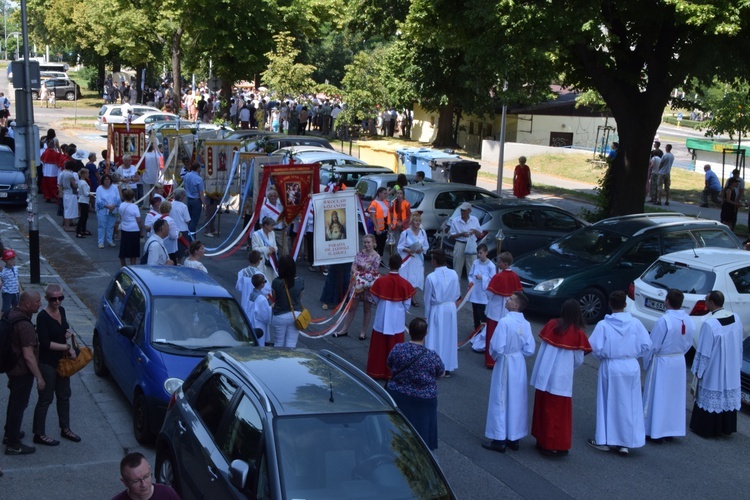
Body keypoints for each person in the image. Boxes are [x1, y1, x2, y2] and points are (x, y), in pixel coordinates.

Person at [587, 291, 652, 455]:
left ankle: (605, 439)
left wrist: (603, 356)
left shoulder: (604, 325)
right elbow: (647, 345)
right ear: (625, 304)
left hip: (611, 365)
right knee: (629, 403)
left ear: (610, 304)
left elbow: (594, 347)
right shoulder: (636, 324)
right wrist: (634, 354)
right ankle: (625, 442)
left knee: (608, 402)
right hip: (631, 365)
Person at [530, 299, 592, 456]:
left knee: (543, 408)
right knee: (557, 413)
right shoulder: (577, 333)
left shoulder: (552, 324)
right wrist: (569, 369)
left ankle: (541, 440)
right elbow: (578, 359)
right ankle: (554, 445)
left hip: (545, 374)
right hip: (562, 377)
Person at [482, 292, 535, 453]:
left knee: (501, 399)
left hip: (505, 362)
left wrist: (499, 357)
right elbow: (530, 348)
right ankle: (514, 437)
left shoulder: (505, 322)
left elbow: (497, 347)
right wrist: (517, 354)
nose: (508, 299)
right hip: (518, 363)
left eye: (511, 299)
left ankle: (499, 439)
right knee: (516, 399)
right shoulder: (525, 324)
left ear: (516, 305)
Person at [642, 289, 695, 442]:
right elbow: (690, 342)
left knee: (659, 395)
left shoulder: (664, 321)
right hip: (678, 361)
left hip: (663, 361)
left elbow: (654, 344)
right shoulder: (689, 320)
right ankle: (669, 430)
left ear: (667, 301)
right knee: (673, 397)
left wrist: (647, 360)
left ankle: (654, 431)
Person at [385, 317, 445, 451]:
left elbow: (389, 364)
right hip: (424, 399)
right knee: (423, 437)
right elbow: (441, 373)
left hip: (399, 395)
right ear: (425, 334)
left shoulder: (398, 349)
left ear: (409, 331)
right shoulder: (431, 356)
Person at [32, 284, 81, 447]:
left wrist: (68, 335)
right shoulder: (42, 317)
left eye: (60, 298)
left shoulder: (62, 311)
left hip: (62, 362)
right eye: (54, 299)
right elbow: (44, 343)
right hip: (48, 363)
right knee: (46, 398)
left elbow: (64, 329)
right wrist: (67, 347)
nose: (57, 302)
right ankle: (39, 433)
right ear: (47, 299)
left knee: (64, 395)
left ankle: (65, 428)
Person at [689, 290, 743, 438]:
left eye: (706, 300)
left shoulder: (710, 324)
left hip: (715, 367)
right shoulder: (735, 318)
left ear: (712, 303)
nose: (705, 303)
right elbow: (739, 344)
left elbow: (704, 352)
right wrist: (736, 363)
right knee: (726, 394)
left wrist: (698, 371)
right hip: (730, 365)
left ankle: (707, 428)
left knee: (713, 389)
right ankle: (725, 427)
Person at [3, 291, 43, 456]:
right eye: (37, 301)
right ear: (27, 304)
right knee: (19, 406)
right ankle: (13, 444)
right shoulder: (25, 325)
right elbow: (28, 355)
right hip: (21, 371)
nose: (40, 304)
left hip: (11, 367)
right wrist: (39, 377)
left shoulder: (10, 313)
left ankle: (9, 433)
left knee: (13, 402)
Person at [366, 254, 415, 380]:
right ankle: (392, 373)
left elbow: (375, 298)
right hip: (397, 320)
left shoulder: (380, 281)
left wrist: (383, 305)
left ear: (389, 264)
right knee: (395, 346)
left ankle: (376, 371)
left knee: (379, 347)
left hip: (381, 317)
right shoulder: (405, 283)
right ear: (400, 265)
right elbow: (407, 304)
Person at [333, 234, 381, 340]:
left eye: (368, 242)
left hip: (368, 285)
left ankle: (363, 332)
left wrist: (360, 272)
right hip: (358, 284)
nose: (366, 244)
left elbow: (374, 271)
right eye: (365, 242)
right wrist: (357, 272)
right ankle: (344, 329)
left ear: (373, 243)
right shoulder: (359, 254)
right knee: (352, 307)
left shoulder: (377, 256)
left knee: (367, 309)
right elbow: (353, 267)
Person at [423, 249, 460, 376]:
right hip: (450, 308)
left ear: (433, 261)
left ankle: (433, 365)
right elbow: (457, 294)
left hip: (437, 309)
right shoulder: (454, 273)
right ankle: (447, 366)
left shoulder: (431, 277)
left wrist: (426, 316)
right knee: (448, 336)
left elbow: (427, 298)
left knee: (435, 336)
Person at [482, 252, 522, 368]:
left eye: (499, 262)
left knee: (492, 336)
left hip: (495, 311)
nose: (497, 263)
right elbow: (519, 294)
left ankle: (490, 361)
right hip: (508, 312)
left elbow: (489, 293)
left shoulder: (498, 277)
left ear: (505, 264)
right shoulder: (515, 276)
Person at [112, 452, 180, 500]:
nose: (143, 484)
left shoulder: (167, 494)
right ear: (125, 482)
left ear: (150, 470)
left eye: (146, 476)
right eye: (136, 481)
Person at [270, 255, 305, 348]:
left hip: (280, 315)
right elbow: (299, 298)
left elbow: (275, 298)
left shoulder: (276, 282)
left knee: (278, 343)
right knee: (291, 343)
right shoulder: (300, 281)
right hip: (295, 314)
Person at [397, 213, 429, 307]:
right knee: (407, 277)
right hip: (408, 258)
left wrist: (421, 249)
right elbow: (400, 247)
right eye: (416, 220)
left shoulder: (423, 232)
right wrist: (408, 250)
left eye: (419, 221)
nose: (418, 223)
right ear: (411, 222)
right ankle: (404, 295)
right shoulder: (405, 233)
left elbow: (426, 245)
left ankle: (413, 297)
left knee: (415, 278)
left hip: (418, 259)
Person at [449, 202, 482, 280]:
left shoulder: (474, 220)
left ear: (469, 211)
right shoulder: (455, 220)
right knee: (457, 268)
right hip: (460, 244)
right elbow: (451, 236)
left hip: (471, 245)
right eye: (461, 210)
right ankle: (456, 291)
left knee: (472, 269)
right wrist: (461, 234)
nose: (462, 212)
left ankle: (471, 290)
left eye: (464, 210)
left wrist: (474, 231)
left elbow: (479, 233)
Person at [467, 244, 496, 331]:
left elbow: (492, 280)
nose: (479, 255)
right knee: (475, 313)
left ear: (486, 253)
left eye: (481, 253)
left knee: (481, 313)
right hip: (475, 292)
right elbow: (470, 274)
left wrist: (483, 278)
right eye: (478, 253)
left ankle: (485, 331)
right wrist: (471, 282)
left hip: (483, 294)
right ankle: (476, 330)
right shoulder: (476, 262)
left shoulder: (491, 266)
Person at [252, 217, 279, 287]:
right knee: (263, 281)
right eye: (271, 225)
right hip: (262, 262)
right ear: (265, 225)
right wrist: (267, 249)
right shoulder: (256, 234)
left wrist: (274, 249)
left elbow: (275, 246)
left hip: (271, 262)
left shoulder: (272, 233)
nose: (273, 227)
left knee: (271, 281)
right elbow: (254, 249)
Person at [117, 189, 143, 267]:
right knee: (133, 250)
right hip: (134, 229)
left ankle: (123, 265)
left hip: (125, 229)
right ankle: (132, 265)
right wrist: (141, 231)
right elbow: (138, 220)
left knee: (123, 249)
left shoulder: (121, 205)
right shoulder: (134, 207)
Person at [245, 274, 272, 347]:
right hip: (259, 325)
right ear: (262, 284)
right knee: (260, 344)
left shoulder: (250, 295)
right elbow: (265, 316)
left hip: (251, 322)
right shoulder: (262, 298)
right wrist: (270, 308)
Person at [95, 174, 120, 249]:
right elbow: (98, 200)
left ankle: (110, 240)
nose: (107, 181)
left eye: (108, 179)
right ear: (103, 180)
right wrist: (107, 206)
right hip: (103, 210)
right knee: (102, 226)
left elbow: (118, 198)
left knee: (111, 226)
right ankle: (100, 242)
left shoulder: (115, 187)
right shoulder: (99, 188)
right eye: (105, 179)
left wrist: (114, 206)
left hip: (113, 209)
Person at [182, 161, 206, 237]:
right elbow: (201, 193)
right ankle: (191, 237)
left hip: (189, 198)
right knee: (194, 220)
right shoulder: (199, 179)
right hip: (196, 200)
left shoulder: (186, 175)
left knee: (189, 219)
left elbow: (184, 186)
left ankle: (190, 235)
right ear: (198, 168)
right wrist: (204, 204)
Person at [368, 187, 390, 257]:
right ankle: (374, 258)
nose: (386, 195)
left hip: (385, 225)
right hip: (377, 226)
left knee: (382, 243)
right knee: (376, 244)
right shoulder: (374, 204)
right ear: (379, 194)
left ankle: (380, 258)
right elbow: (372, 217)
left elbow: (388, 214)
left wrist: (389, 226)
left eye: (386, 193)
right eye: (384, 193)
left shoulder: (385, 202)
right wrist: (377, 228)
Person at [0, 249, 23, 313]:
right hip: (7, 293)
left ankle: (14, 319)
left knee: (16, 307)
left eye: (13, 259)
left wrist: (20, 290)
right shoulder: (3, 270)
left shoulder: (15, 269)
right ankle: (2, 321)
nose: (11, 261)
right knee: (5, 309)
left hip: (16, 292)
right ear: (4, 260)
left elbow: (17, 280)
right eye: (9, 259)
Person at [141, 143, 161, 210]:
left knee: (146, 192)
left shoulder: (145, 155)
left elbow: (142, 166)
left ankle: (146, 205)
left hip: (146, 175)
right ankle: (154, 205)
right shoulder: (157, 155)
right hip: (155, 176)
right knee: (154, 192)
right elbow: (160, 165)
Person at [75, 168, 92, 238]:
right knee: (83, 216)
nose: (88, 174)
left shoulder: (80, 182)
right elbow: (85, 193)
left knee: (84, 216)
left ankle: (83, 229)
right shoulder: (84, 183)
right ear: (83, 174)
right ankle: (79, 231)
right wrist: (91, 195)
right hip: (84, 201)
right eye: (87, 173)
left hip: (83, 200)